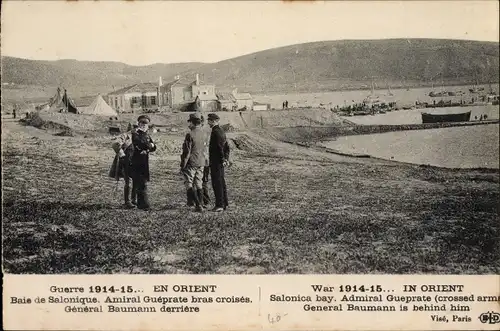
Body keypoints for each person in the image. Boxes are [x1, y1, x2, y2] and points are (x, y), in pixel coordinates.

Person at [180, 113, 206, 212]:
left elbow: (187, 152)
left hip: (191, 162)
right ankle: (201, 203)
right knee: (199, 183)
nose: (188, 125)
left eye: (189, 122)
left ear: (192, 123)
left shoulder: (190, 134)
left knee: (189, 183)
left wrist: (183, 165)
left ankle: (198, 205)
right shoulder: (204, 133)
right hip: (201, 162)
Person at [131, 115, 156, 210]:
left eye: (146, 124)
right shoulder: (135, 134)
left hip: (145, 161)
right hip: (136, 161)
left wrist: (148, 149)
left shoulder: (147, 135)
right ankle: (143, 204)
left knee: (141, 182)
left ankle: (137, 201)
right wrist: (148, 146)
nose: (144, 125)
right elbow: (138, 144)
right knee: (141, 183)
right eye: (142, 123)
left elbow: (154, 147)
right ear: (139, 123)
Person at [110, 123, 138, 208]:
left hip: (136, 162)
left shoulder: (138, 136)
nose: (136, 129)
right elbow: (115, 144)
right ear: (131, 128)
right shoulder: (125, 136)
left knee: (136, 181)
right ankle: (127, 202)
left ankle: (134, 200)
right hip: (126, 162)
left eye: (138, 127)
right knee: (128, 181)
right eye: (135, 127)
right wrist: (121, 154)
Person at [207, 113, 230, 212]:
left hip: (216, 161)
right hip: (220, 161)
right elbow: (227, 147)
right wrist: (226, 158)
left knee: (217, 182)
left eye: (209, 121)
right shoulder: (221, 131)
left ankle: (219, 205)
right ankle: (224, 203)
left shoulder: (215, 132)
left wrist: (222, 159)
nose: (208, 122)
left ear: (213, 121)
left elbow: (220, 148)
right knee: (221, 181)